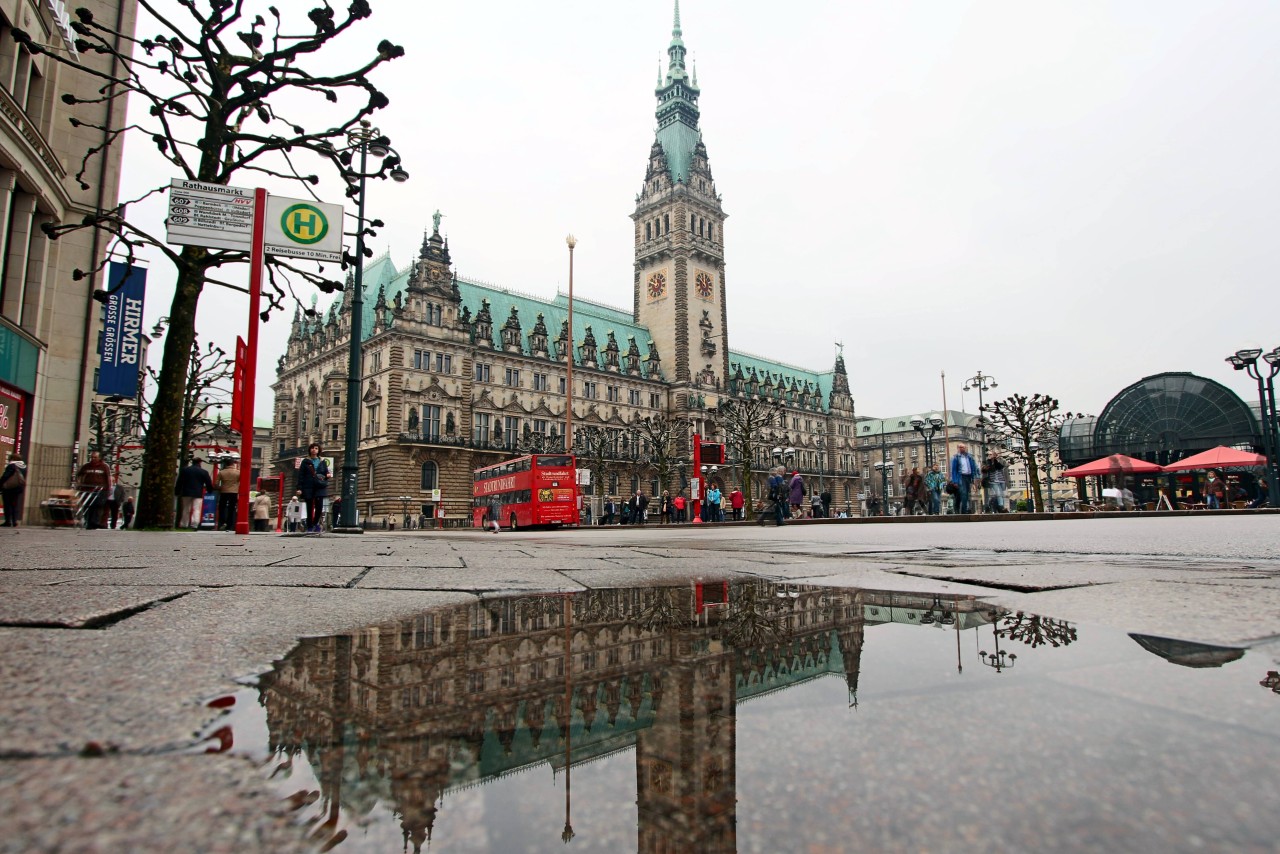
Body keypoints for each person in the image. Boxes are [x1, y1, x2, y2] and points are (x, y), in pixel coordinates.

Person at [296, 444, 329, 532]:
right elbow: (301, 476)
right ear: (310, 450)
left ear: (318, 450)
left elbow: (326, 472)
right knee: (309, 507)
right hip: (308, 486)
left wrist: (327, 476)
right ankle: (310, 525)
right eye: (312, 448)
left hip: (319, 486)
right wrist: (299, 488)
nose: (314, 450)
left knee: (319, 507)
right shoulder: (305, 461)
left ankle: (315, 523)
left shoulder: (322, 461)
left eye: (316, 448)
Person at [76, 451, 113, 530]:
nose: (93, 459)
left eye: (95, 457)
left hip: (100, 490)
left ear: (99, 458)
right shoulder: (86, 466)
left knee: (97, 506)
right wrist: (79, 483)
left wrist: (108, 489)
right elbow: (79, 475)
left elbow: (108, 478)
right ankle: (88, 522)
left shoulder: (104, 466)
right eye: (92, 457)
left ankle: (94, 522)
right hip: (87, 489)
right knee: (87, 506)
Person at [174, 457, 213, 529]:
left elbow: (179, 482)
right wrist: (210, 490)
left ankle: (184, 524)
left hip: (186, 492)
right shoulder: (204, 472)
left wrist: (177, 491)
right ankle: (194, 524)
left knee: (186, 508)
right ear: (200, 462)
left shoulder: (185, 470)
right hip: (198, 493)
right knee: (196, 509)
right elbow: (208, 483)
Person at [948, 443, 980, 515]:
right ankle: (964, 512)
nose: (962, 449)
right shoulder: (955, 458)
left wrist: (975, 478)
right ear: (958, 448)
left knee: (962, 494)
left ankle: (957, 508)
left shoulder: (970, 457)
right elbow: (953, 470)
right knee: (964, 493)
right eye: (960, 447)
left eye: (963, 447)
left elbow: (974, 468)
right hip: (960, 477)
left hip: (968, 477)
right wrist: (954, 481)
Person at [214, 458, 241, 531]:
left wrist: (220, 487)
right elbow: (241, 482)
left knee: (222, 507)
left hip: (224, 491)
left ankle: (222, 522)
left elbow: (216, 484)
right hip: (234, 492)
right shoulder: (238, 472)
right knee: (232, 508)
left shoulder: (221, 472)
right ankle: (230, 524)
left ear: (226, 464)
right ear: (233, 464)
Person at [1, 453, 27, 527]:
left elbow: (5, 476)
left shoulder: (12, 466)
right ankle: (14, 521)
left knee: (7, 504)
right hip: (18, 488)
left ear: (12, 459)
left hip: (9, 488)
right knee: (14, 505)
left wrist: (1, 484)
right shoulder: (23, 467)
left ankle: (8, 521)